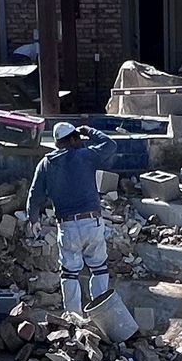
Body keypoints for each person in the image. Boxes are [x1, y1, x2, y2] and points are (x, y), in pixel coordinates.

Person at [24, 122, 121, 313]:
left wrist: (33, 218)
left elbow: (35, 194)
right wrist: (90, 131)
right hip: (91, 222)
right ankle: (102, 313)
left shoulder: (46, 163)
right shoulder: (86, 156)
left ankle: (73, 318)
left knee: (69, 273)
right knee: (98, 267)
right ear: (74, 139)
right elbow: (110, 145)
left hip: (67, 226)